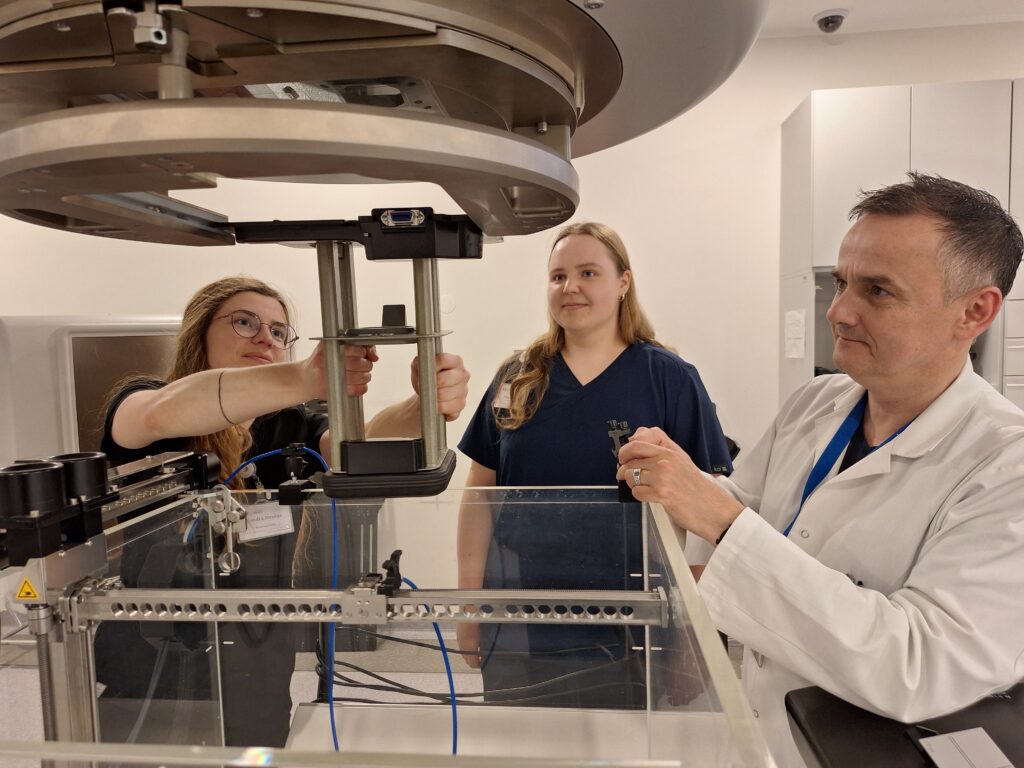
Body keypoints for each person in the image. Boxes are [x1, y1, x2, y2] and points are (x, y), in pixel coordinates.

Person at [617, 173, 1024, 766]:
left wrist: (719, 519)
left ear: (974, 311)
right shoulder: (816, 403)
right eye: (841, 283)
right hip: (764, 731)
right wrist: (677, 479)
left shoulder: (1007, 464)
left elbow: (918, 665)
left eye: (877, 291)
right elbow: (752, 511)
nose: (838, 311)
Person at [94, 275, 469, 747]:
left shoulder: (289, 424)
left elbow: (357, 445)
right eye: (245, 322)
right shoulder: (147, 401)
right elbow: (157, 413)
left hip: (254, 657)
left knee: (260, 748)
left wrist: (425, 403)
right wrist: (303, 377)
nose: (265, 339)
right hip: (154, 663)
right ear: (198, 333)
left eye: (277, 331)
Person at [456, 222, 733, 708]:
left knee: (620, 737)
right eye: (558, 276)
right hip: (522, 609)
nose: (570, 287)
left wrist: (694, 630)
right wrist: (468, 604)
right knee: (523, 736)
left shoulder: (669, 378)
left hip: (633, 612)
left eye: (588, 273)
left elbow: (706, 512)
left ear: (623, 283)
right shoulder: (519, 378)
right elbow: (480, 497)